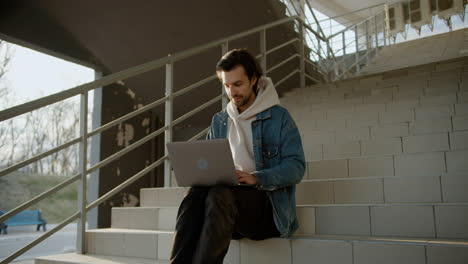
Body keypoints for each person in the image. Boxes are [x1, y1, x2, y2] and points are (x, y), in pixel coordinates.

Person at [169, 48, 305, 264]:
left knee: (220, 193)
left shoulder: (279, 117)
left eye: (238, 84)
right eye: (226, 85)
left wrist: (257, 177)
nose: (232, 92)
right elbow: (208, 165)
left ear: (253, 79)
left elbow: (296, 166)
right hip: (224, 211)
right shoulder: (220, 120)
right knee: (195, 193)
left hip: (265, 211)